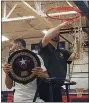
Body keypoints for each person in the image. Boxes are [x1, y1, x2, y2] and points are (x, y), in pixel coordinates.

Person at [38, 21, 80, 102]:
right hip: (45, 85)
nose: (57, 33)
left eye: (58, 33)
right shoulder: (44, 47)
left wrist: (76, 40)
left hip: (57, 86)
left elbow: (76, 56)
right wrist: (61, 25)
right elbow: (46, 38)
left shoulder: (63, 52)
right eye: (54, 32)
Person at [3, 38, 49, 102]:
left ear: (18, 44)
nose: (10, 49)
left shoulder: (36, 57)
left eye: (11, 45)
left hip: (34, 98)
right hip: (18, 99)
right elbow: (9, 86)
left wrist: (40, 74)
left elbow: (47, 76)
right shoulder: (11, 61)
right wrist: (6, 73)